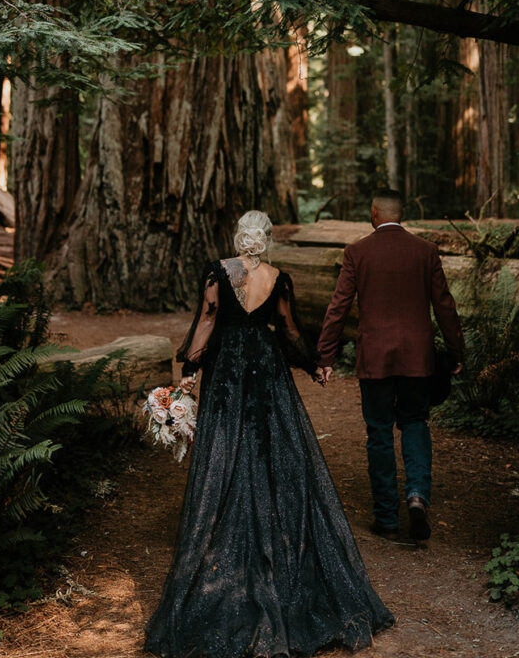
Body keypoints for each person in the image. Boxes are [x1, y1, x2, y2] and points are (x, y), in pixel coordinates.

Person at [144, 210, 394, 658]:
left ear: (240, 236)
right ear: (267, 239)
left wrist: (189, 368)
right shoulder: (279, 277)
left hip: (228, 372)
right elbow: (290, 330)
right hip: (265, 369)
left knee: (227, 446)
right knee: (272, 448)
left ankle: (226, 533)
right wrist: (314, 363)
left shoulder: (220, 271)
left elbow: (206, 320)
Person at [316, 189, 464, 543]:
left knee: (379, 431)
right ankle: (415, 496)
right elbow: (444, 305)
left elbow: (338, 308)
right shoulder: (424, 251)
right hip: (418, 357)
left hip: (375, 358)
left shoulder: (357, 252)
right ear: (402, 214)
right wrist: (457, 351)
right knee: (415, 422)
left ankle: (386, 517)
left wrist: (325, 356)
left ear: (374, 213)